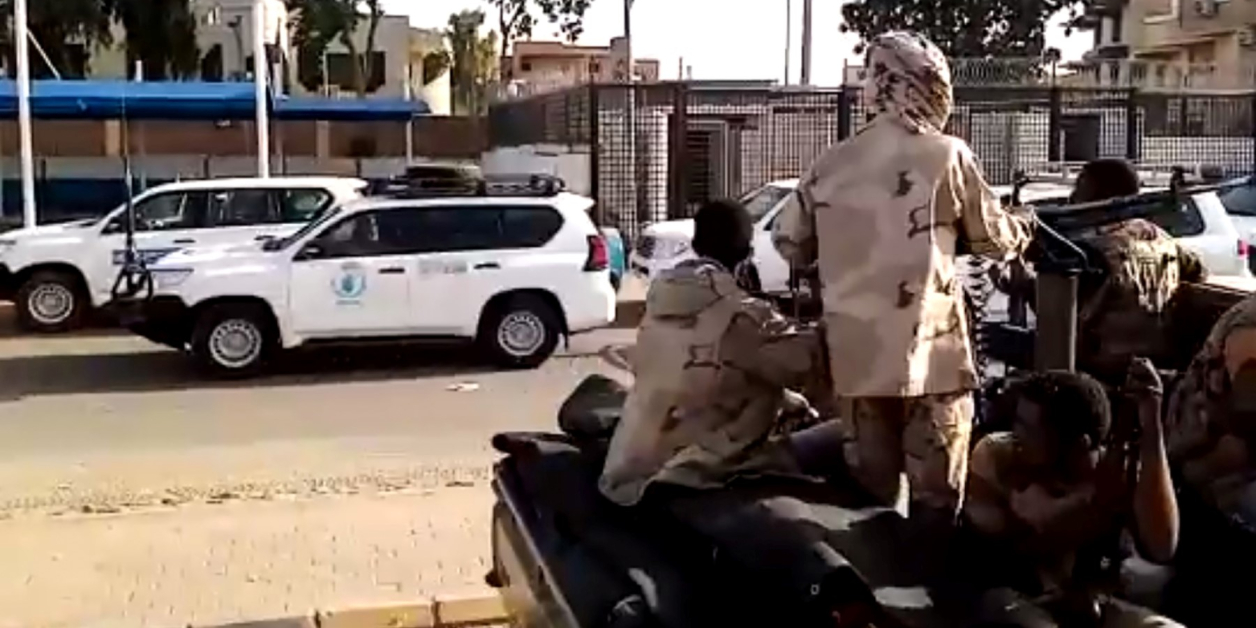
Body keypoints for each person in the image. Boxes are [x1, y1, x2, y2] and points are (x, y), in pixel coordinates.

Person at [771, 31, 1034, 536]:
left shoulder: (831, 163)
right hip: (933, 363)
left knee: (871, 503)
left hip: (857, 363)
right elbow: (994, 240)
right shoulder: (947, 155)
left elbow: (791, 244)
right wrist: (1024, 223)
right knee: (937, 504)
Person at [598, 198, 828, 507]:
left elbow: (713, 369)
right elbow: (809, 365)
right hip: (695, 475)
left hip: (628, 471)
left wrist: (789, 400)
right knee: (834, 442)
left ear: (695, 245)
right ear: (747, 253)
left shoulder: (660, 302)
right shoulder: (745, 318)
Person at [963, 364, 1181, 628]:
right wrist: (1093, 501)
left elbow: (1162, 545)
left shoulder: (1114, 470)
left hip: (1095, 602)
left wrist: (1151, 429)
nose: (1017, 436)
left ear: (1079, 445)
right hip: (1017, 598)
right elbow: (1034, 521)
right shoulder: (998, 456)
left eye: (1029, 430)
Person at [996, 159, 1208, 382]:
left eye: (1080, 190)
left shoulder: (1094, 251)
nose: (1072, 199)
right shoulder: (1163, 240)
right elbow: (1198, 273)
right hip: (1152, 363)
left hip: (1097, 369)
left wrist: (1021, 283)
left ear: (1104, 197)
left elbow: (1060, 313)